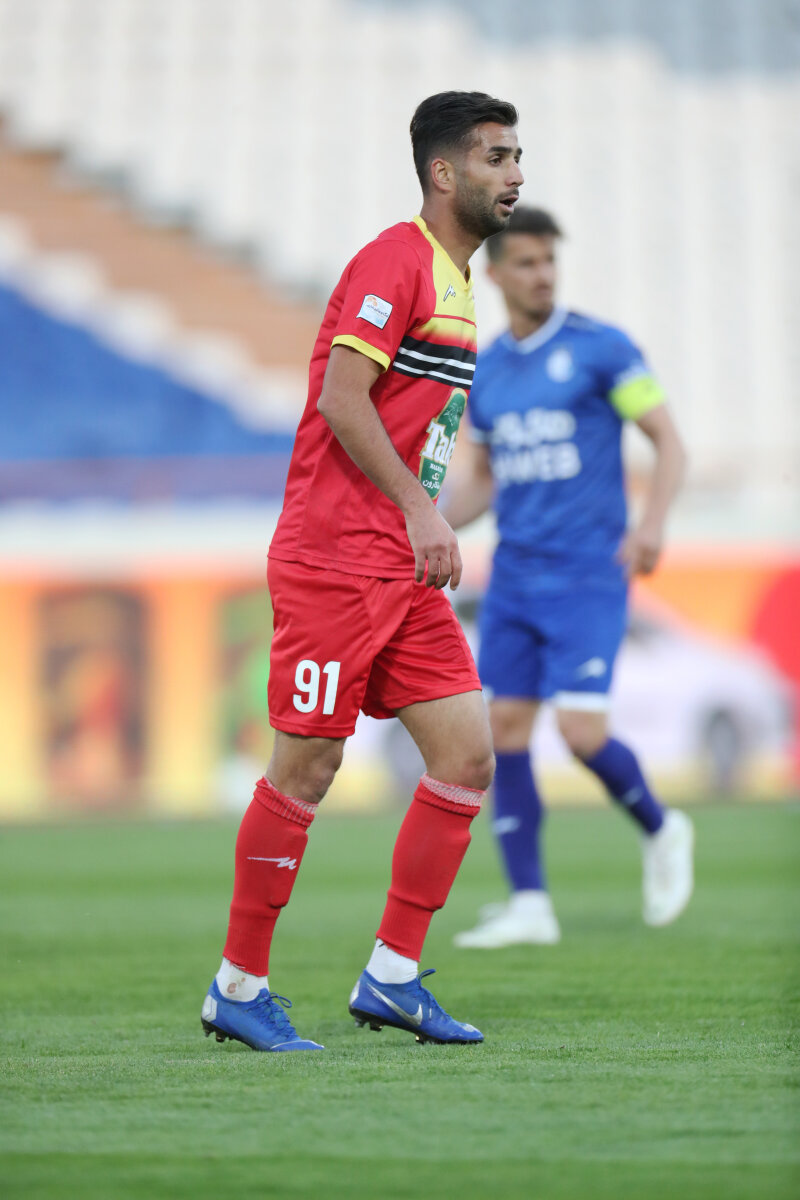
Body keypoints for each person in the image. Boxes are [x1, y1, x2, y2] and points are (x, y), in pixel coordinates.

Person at [200, 92, 524, 1050]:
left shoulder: (457, 282)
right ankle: (236, 985)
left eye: (518, 157)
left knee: (466, 756)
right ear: (443, 172)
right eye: (498, 157)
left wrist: (425, 516)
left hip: (398, 564)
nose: (515, 175)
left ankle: (391, 976)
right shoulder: (396, 260)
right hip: (336, 558)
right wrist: (424, 510)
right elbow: (344, 399)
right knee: (308, 767)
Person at [441, 206, 693, 949]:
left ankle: (662, 827)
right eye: (526, 262)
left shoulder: (600, 349)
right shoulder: (487, 370)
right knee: (502, 732)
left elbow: (668, 442)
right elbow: (483, 480)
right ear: (494, 274)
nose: (542, 274)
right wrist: (426, 523)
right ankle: (530, 904)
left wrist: (651, 524)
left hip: (588, 573)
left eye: (549, 260)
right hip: (514, 577)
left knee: (581, 733)